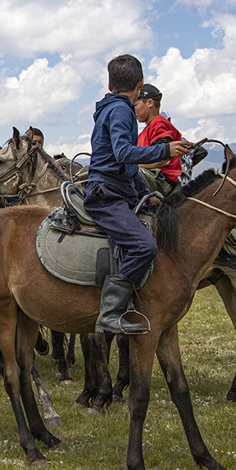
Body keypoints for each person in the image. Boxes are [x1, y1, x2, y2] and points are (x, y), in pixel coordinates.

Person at [83, 55, 191, 335]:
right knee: (145, 246)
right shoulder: (121, 110)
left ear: (110, 84)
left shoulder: (113, 108)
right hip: (106, 194)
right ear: (140, 84)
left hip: (118, 189)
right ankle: (110, 312)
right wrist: (166, 150)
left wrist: (145, 193)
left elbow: (127, 166)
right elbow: (123, 153)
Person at [134, 84, 183, 196]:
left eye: (135, 105)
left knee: (122, 173)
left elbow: (163, 159)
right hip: (151, 176)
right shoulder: (147, 129)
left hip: (160, 180)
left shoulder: (159, 124)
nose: (133, 110)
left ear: (149, 103)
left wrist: (134, 166)